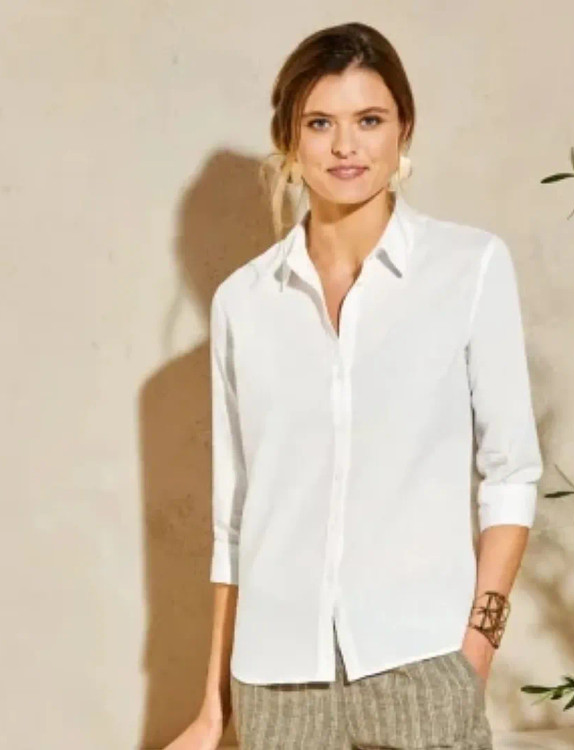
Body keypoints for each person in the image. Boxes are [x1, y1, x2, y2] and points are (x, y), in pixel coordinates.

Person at [165, 21, 543, 750]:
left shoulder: (469, 268)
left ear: (404, 130)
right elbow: (234, 519)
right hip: (276, 684)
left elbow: (511, 474)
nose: (346, 146)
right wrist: (214, 707)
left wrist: (474, 655)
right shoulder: (244, 302)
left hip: (423, 666)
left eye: (369, 120)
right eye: (320, 123)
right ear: (288, 138)